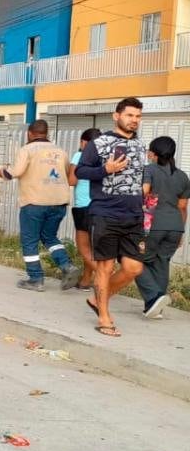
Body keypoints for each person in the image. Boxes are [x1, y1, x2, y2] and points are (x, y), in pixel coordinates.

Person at [76, 97, 147, 337]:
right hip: (106, 213)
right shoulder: (99, 143)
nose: (134, 120)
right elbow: (81, 171)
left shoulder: (140, 145)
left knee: (134, 267)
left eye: (137, 116)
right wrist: (105, 170)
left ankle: (98, 299)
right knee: (105, 267)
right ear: (116, 116)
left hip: (133, 216)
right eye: (129, 115)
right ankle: (104, 318)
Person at [0, 119, 79, 291]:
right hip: (59, 202)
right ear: (46, 133)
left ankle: (35, 278)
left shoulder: (27, 149)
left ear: (30, 133)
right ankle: (66, 265)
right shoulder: (60, 151)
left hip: (35, 202)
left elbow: (15, 172)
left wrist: (2, 171)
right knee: (49, 236)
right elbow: (65, 174)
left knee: (29, 240)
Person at [136, 136, 190, 319]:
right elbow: (182, 207)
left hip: (152, 225)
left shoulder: (149, 170)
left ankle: (153, 297)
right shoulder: (182, 176)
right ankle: (155, 309)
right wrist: (180, 230)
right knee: (161, 263)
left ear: (153, 153)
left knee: (135, 260)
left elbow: (143, 193)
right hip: (175, 227)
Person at [67, 128, 102, 291]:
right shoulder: (105, 158)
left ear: (84, 142)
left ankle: (106, 276)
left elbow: (72, 180)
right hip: (102, 207)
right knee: (93, 248)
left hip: (84, 206)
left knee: (82, 246)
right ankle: (86, 281)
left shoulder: (79, 155)